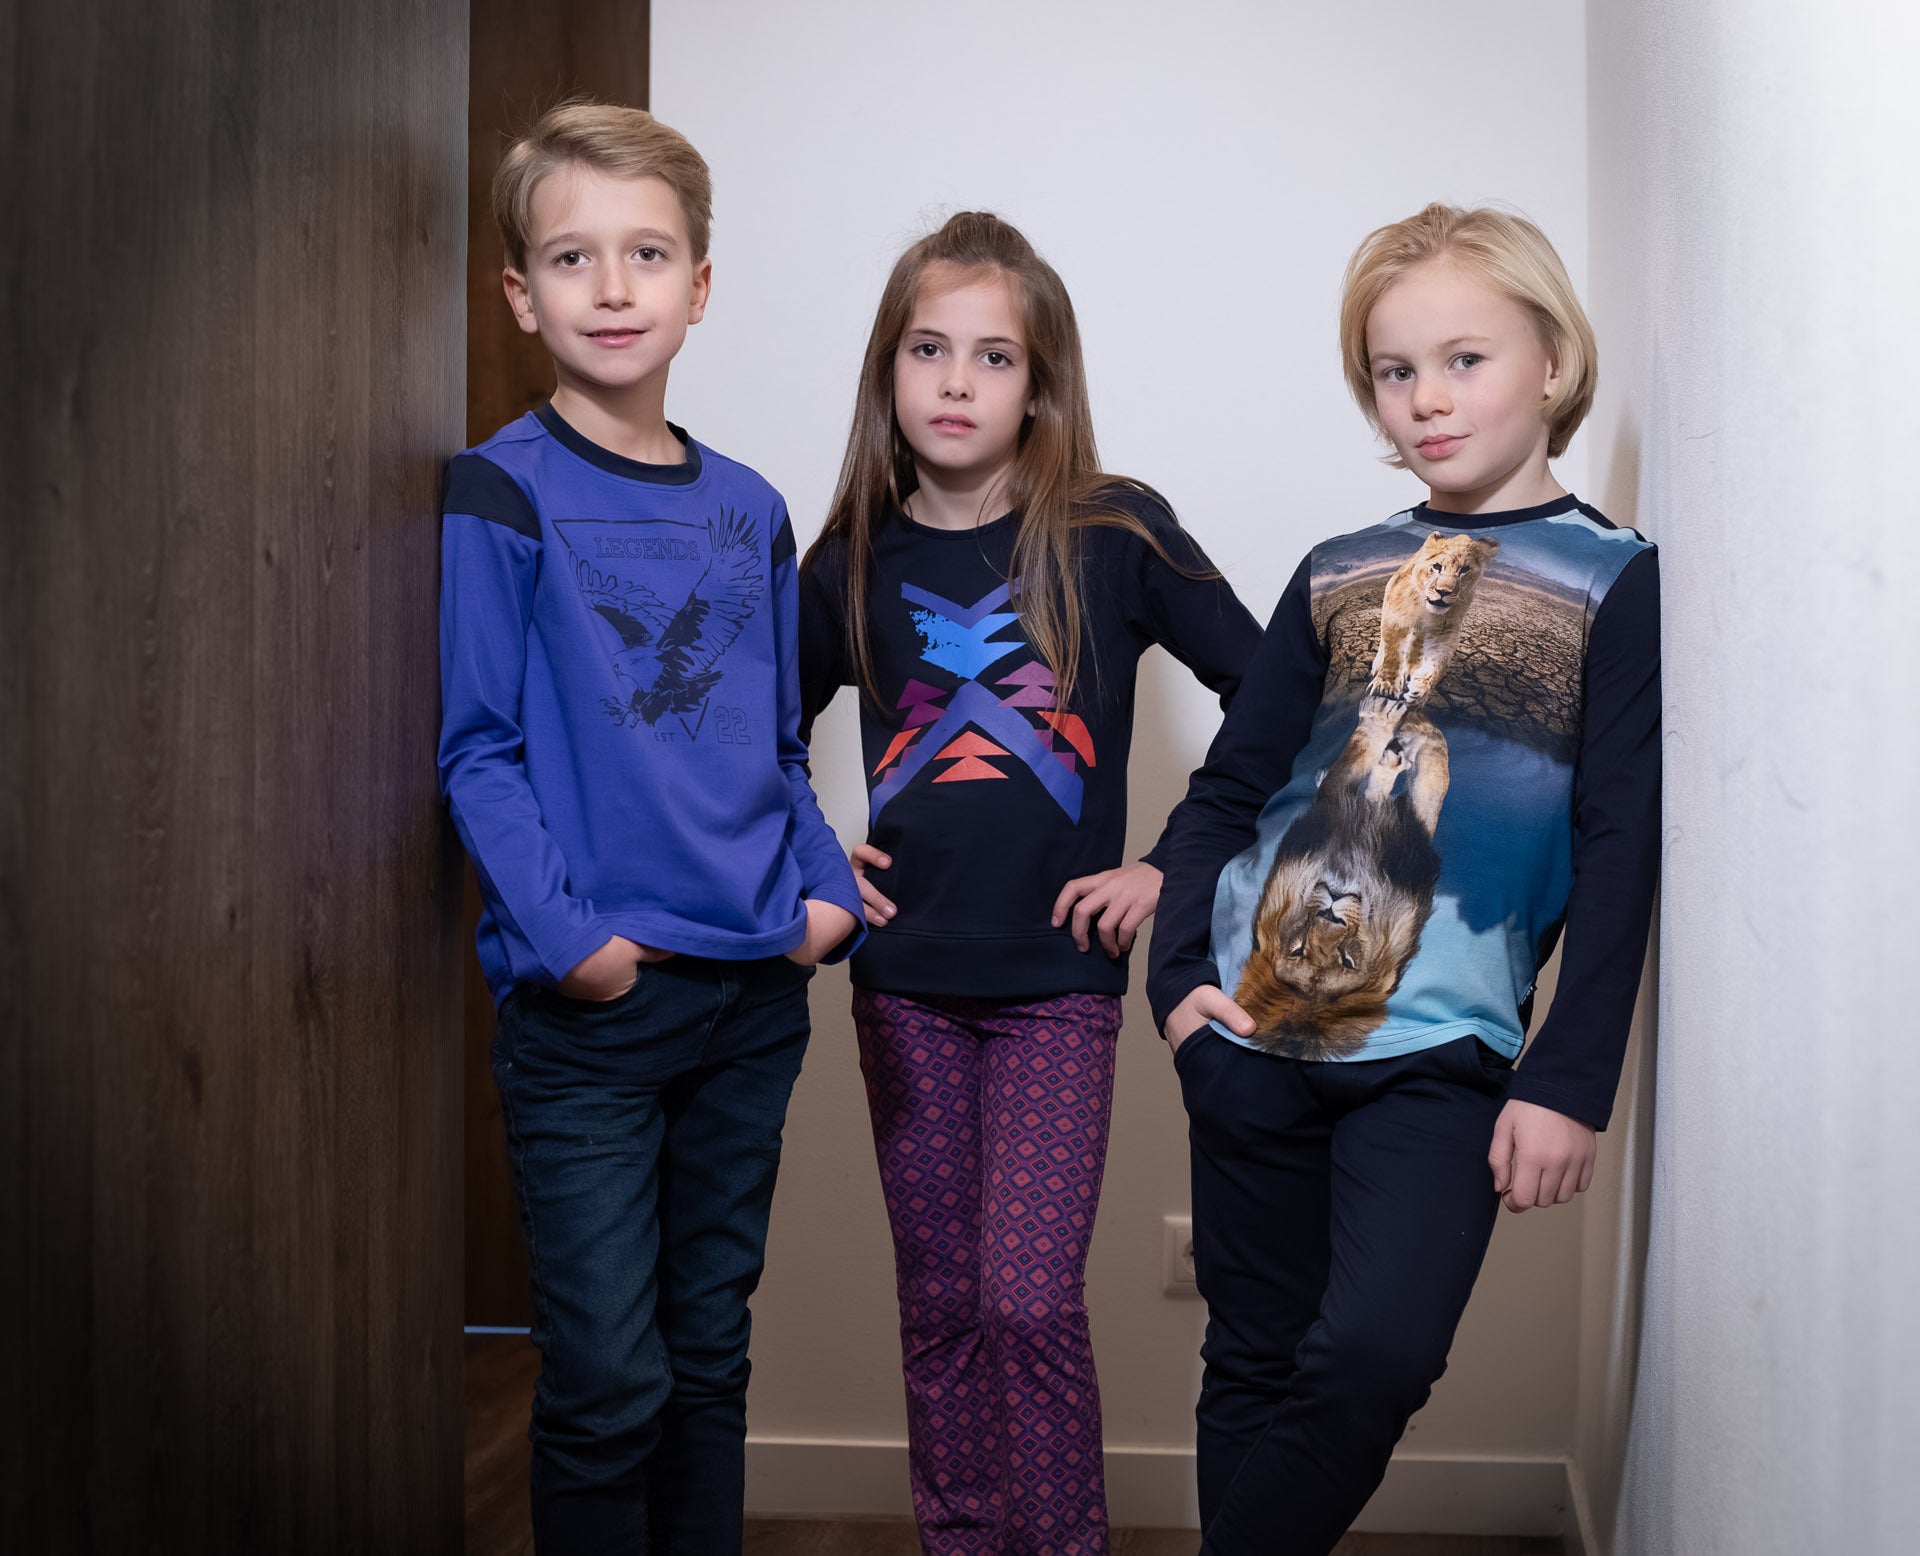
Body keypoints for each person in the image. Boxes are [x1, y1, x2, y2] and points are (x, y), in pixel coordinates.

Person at [1145, 203, 1661, 1556]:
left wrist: (1568, 1078)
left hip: (1444, 1047)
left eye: (1464, 360)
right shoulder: (1337, 570)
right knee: (1252, 1358)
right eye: (1394, 370)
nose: (1426, 399)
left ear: (1555, 361)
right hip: (1250, 1028)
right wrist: (1180, 989)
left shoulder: (1614, 582)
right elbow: (1224, 792)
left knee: (1375, 1354)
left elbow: (1622, 841)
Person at [799, 211, 1262, 1555]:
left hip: (1058, 986)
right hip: (902, 986)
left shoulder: (1114, 532)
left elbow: (1273, 697)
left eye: (993, 356)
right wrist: (814, 851)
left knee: (1026, 1301)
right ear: (888, 369)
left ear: (1039, 383)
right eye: (928, 349)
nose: (957, 381)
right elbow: (750, 743)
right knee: (943, 1306)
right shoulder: (851, 555)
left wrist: (1169, 867)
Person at [437, 101, 862, 1555]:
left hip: (754, 997)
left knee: (706, 1363)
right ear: (521, 294)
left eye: (647, 254)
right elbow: (477, 751)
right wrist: (576, 948)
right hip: (593, 1015)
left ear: (700, 284)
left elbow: (776, 745)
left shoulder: (751, 509)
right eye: (573, 257)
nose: (612, 288)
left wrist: (824, 907)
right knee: (609, 1381)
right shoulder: (501, 490)